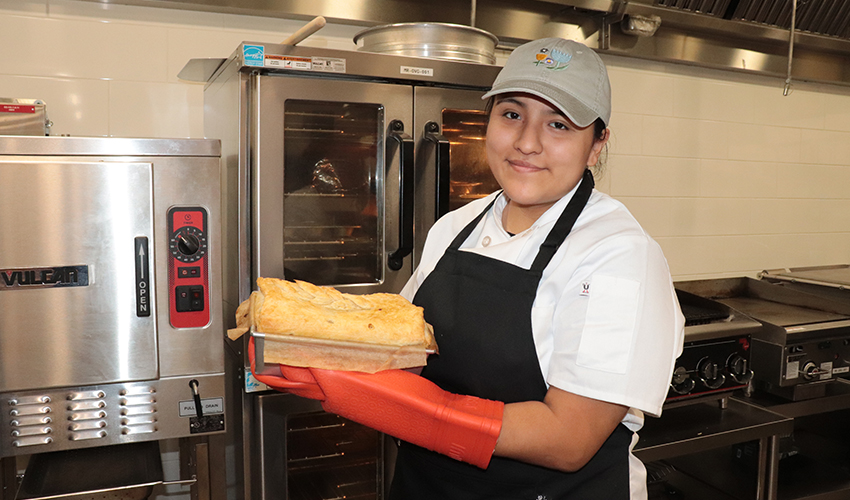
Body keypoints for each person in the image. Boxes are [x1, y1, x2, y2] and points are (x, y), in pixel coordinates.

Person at [253, 37, 685, 500]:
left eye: (558, 124)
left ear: (596, 145)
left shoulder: (619, 254)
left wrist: (421, 413)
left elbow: (569, 440)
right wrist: (329, 359)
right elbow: (408, 348)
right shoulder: (456, 226)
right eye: (512, 114)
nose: (526, 143)